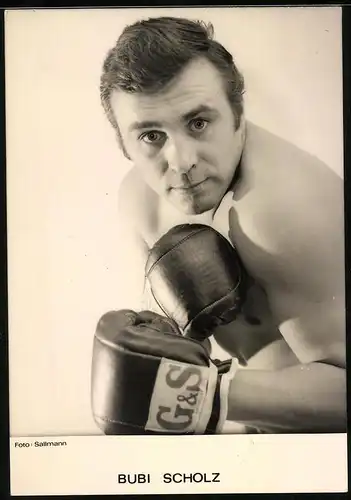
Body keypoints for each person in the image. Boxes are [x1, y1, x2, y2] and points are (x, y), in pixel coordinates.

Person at [98, 16, 346, 432]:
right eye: (151, 136)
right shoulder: (141, 203)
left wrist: (201, 394)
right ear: (123, 143)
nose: (182, 162)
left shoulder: (285, 207)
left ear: (237, 112)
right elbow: (181, 352)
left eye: (198, 123)